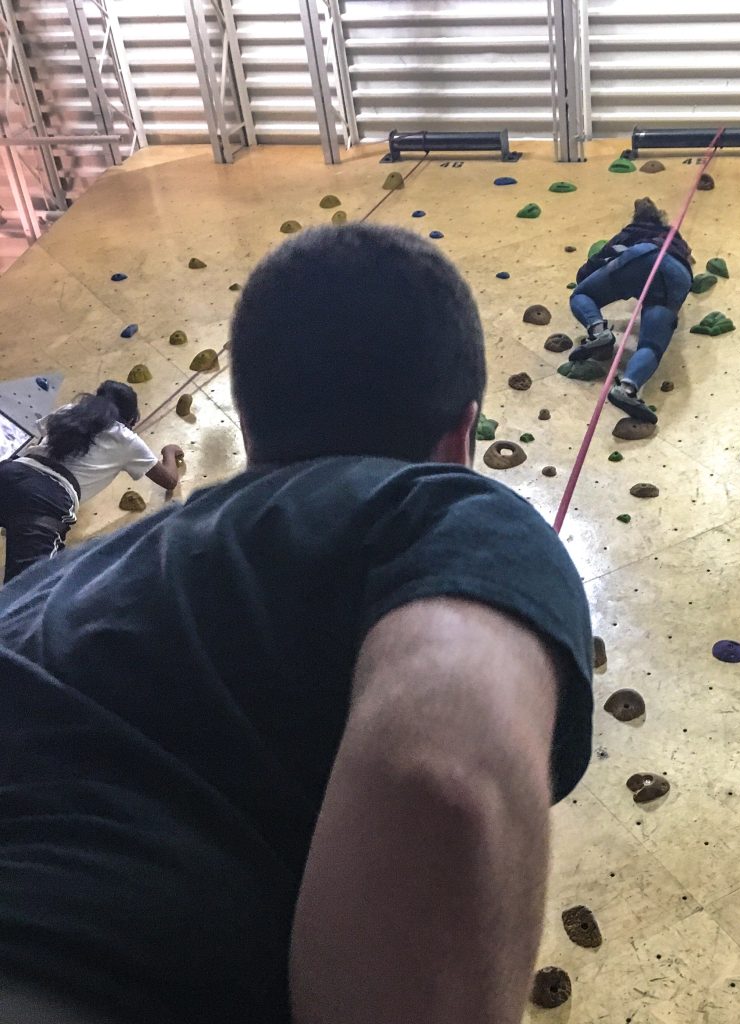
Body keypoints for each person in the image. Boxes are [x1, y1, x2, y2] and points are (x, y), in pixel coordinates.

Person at [0, 223, 594, 1024]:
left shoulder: (37, 595)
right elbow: (444, 785)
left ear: (249, 427)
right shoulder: (432, 509)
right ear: (461, 433)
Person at [0, 381, 182, 582]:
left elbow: (45, 440)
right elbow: (169, 480)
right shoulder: (126, 438)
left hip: (12, 471)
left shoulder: (69, 412)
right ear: (130, 419)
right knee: (27, 591)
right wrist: (169, 451)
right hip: (46, 502)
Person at [568, 196, 694, 425]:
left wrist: (587, 276)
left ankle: (599, 332)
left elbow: (604, 257)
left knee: (581, 295)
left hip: (642, 256)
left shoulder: (634, 230)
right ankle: (627, 389)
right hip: (679, 276)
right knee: (651, 346)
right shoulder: (676, 238)